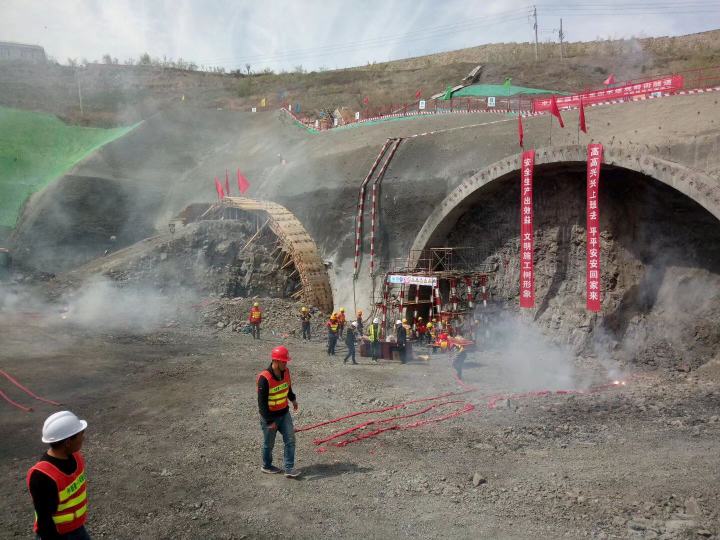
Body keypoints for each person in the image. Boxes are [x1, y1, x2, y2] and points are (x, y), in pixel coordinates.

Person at [27, 411, 90, 540]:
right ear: (68, 442)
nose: (83, 438)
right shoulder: (42, 476)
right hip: (57, 535)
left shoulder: (75, 457)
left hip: (77, 528)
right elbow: (45, 520)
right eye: (80, 434)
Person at [257, 346, 300, 478]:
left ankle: (289, 468)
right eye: (283, 361)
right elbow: (262, 403)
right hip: (269, 417)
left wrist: (293, 399)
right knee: (269, 443)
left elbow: (288, 387)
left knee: (290, 439)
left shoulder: (286, 371)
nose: (286, 363)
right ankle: (267, 465)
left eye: (286, 361)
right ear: (275, 361)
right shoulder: (264, 378)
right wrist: (269, 421)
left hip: (284, 413)